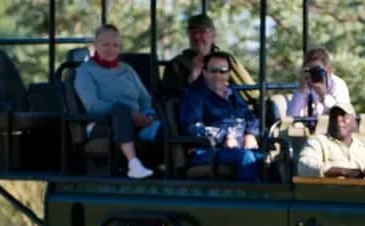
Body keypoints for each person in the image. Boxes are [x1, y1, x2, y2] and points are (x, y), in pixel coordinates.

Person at [73, 24, 160, 179]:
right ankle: (133, 164)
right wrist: (130, 113)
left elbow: (145, 98)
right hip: (102, 122)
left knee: (163, 120)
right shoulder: (85, 72)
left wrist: (147, 114)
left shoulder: (126, 69)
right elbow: (93, 106)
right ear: (96, 45)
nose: (111, 49)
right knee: (120, 109)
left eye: (115, 45)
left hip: (137, 119)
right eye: (106, 45)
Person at [179, 51, 264, 182]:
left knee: (268, 158)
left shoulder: (233, 94)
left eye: (222, 71)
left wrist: (250, 134)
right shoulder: (194, 96)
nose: (218, 75)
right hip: (207, 150)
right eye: (213, 71)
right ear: (204, 72)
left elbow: (250, 117)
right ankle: (251, 194)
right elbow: (192, 127)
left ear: (229, 74)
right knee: (246, 157)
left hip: (238, 146)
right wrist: (225, 136)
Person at [161, 13, 256, 102]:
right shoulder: (176, 64)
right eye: (193, 32)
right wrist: (191, 77)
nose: (197, 37)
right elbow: (168, 99)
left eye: (202, 32)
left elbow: (250, 91)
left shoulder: (227, 59)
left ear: (213, 35)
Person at [297, 102, 365, 178]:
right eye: (334, 116)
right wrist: (341, 171)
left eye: (343, 115)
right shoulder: (318, 142)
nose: (338, 119)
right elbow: (304, 167)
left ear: (354, 121)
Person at [286, 48, 351, 118]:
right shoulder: (305, 85)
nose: (314, 74)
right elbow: (291, 117)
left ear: (329, 70)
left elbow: (341, 115)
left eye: (317, 70)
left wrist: (324, 96)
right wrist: (301, 91)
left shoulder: (337, 84)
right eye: (310, 71)